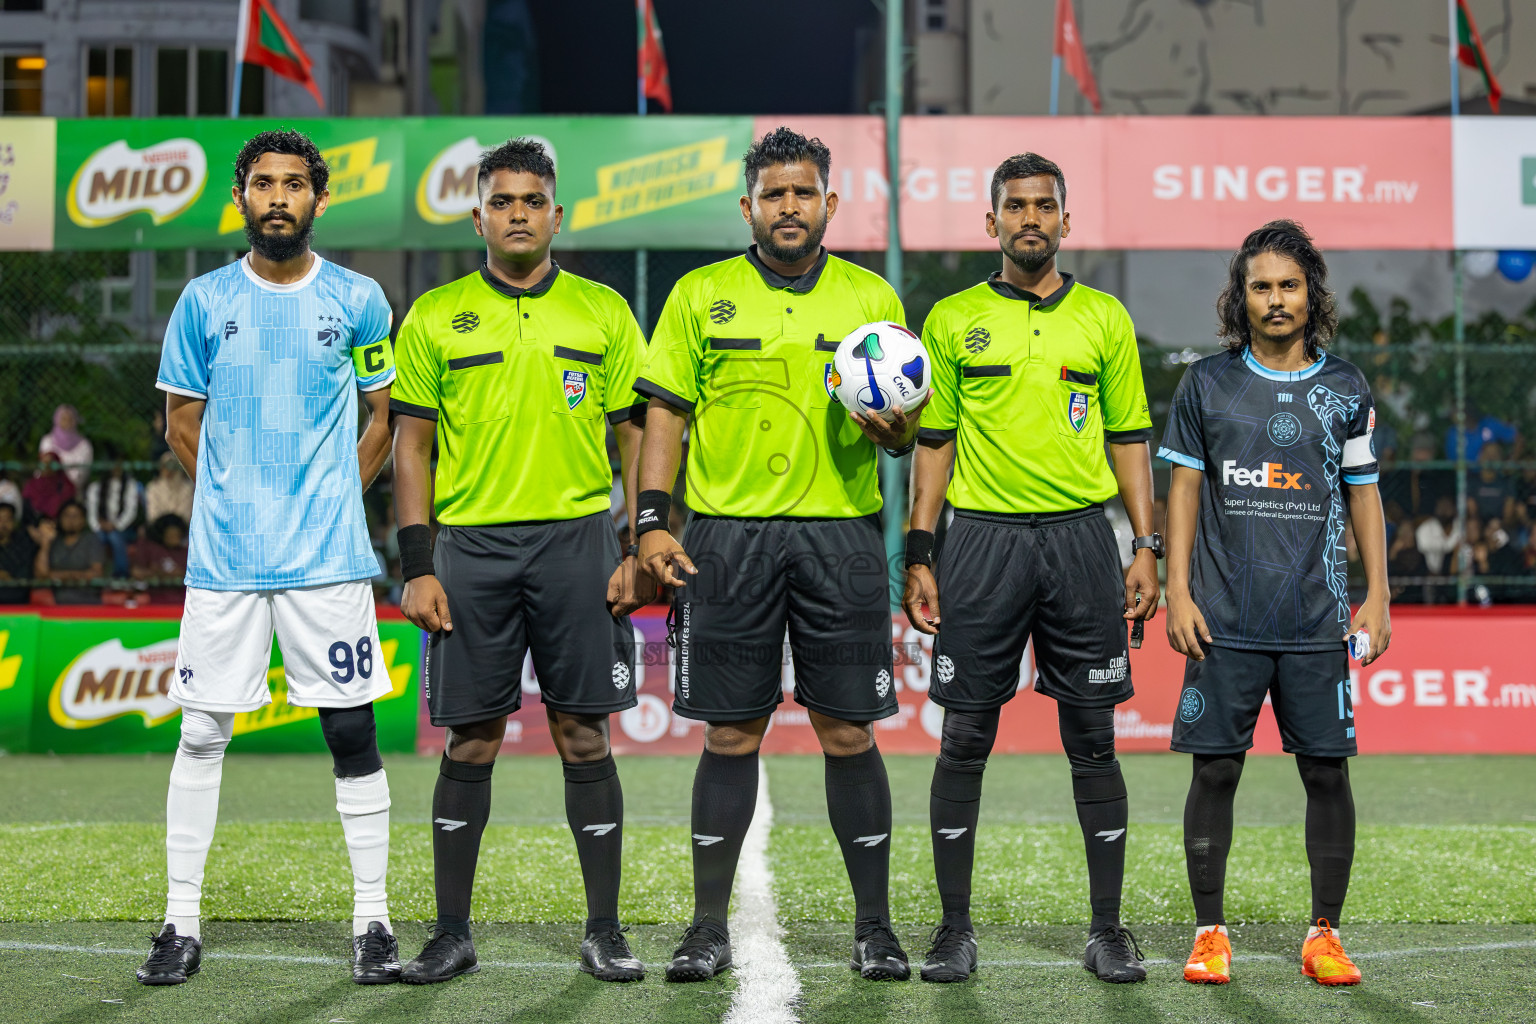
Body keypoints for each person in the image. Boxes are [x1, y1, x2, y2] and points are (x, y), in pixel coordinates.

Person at [636, 127, 920, 983]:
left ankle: (874, 927)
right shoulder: (698, 295)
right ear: (749, 205)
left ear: (829, 203)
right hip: (727, 538)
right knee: (730, 733)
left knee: (846, 730)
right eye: (774, 194)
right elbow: (666, 419)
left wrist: (897, 429)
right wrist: (652, 522)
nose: (788, 207)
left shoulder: (872, 298)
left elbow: (905, 431)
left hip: (841, 536)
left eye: (804, 193)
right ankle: (706, 928)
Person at [137, 129, 401, 987]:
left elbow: (381, 417)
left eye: (295, 184)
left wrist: (332, 495)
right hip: (227, 560)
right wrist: (234, 494)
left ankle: (373, 923)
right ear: (242, 199)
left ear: (320, 200)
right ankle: (179, 923)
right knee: (204, 731)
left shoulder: (361, 299)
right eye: (263, 184)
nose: (279, 196)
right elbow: (181, 423)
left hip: (327, 558)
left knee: (351, 730)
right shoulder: (203, 302)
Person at [389, 138, 652, 984]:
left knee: (583, 734)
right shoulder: (434, 314)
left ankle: (604, 930)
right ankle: (450, 933)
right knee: (471, 740)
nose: (517, 214)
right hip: (471, 550)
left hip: (578, 544)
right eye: (501, 202)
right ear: (478, 217)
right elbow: (413, 446)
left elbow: (635, 434)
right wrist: (419, 563)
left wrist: (635, 542)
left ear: (556, 214)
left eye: (531, 201)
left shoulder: (604, 312)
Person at [902, 152, 1159, 985]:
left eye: (1044, 205)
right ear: (992, 223)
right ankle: (952, 931)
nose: (1030, 219)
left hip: (1083, 541)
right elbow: (932, 445)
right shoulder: (949, 320)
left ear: (1065, 220)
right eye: (1015, 207)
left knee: (1093, 737)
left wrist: (1145, 545)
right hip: (980, 543)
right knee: (966, 737)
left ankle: (1109, 931)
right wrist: (920, 550)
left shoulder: (1105, 320)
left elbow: (1128, 441)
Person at [1160, 220, 1391, 987]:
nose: (1276, 298)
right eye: (1261, 286)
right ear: (1241, 297)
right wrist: (1178, 591)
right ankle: (1209, 933)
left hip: (1316, 619)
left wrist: (1379, 596)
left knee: (1327, 773)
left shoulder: (1346, 387)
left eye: (1289, 284)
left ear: (1311, 292)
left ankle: (1324, 934)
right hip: (1224, 618)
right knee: (1216, 770)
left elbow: (1364, 494)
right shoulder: (1207, 383)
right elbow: (1184, 490)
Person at [33, 499, 105, 605]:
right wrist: (45, 544)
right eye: (66, 516)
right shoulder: (54, 541)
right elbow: (41, 575)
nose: (71, 520)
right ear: (60, 519)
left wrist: (58, 576)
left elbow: (96, 573)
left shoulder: (91, 540)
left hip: (88, 598)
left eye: (75, 516)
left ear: (83, 520)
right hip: (57, 599)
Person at [85, 451, 142, 577]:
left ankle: (121, 574)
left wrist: (116, 525)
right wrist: (98, 526)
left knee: (115, 537)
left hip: (124, 529)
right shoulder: (95, 487)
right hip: (101, 529)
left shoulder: (130, 486)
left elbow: (130, 512)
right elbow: (92, 514)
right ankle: (98, 574)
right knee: (98, 538)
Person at [131, 514, 189, 604]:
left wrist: (180, 573)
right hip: (154, 600)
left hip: (181, 601)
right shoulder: (150, 548)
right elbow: (136, 572)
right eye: (171, 535)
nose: (174, 538)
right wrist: (154, 572)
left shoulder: (186, 552)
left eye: (177, 535)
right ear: (162, 534)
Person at [38, 404, 93, 492]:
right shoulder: (47, 441)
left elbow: (82, 473)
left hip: (73, 490)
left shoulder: (84, 445)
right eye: (64, 419)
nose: (67, 422)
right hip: (49, 489)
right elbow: (44, 467)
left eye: (70, 419)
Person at [22, 451, 74, 524]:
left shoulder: (66, 487)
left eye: (50, 464)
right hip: (34, 529)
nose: (46, 467)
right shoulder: (31, 486)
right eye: (43, 464)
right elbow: (26, 514)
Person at [0, 503, 38, 604]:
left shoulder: (24, 546)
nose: (3, 524)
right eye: (0, 519)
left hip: (17, 602)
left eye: (8, 519)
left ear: (14, 523)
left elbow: (25, 576)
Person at [145, 451, 195, 525]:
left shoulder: (188, 487)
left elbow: (186, 515)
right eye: (166, 466)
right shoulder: (153, 488)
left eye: (173, 466)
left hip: (182, 530)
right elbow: (153, 515)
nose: (169, 470)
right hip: (158, 531)